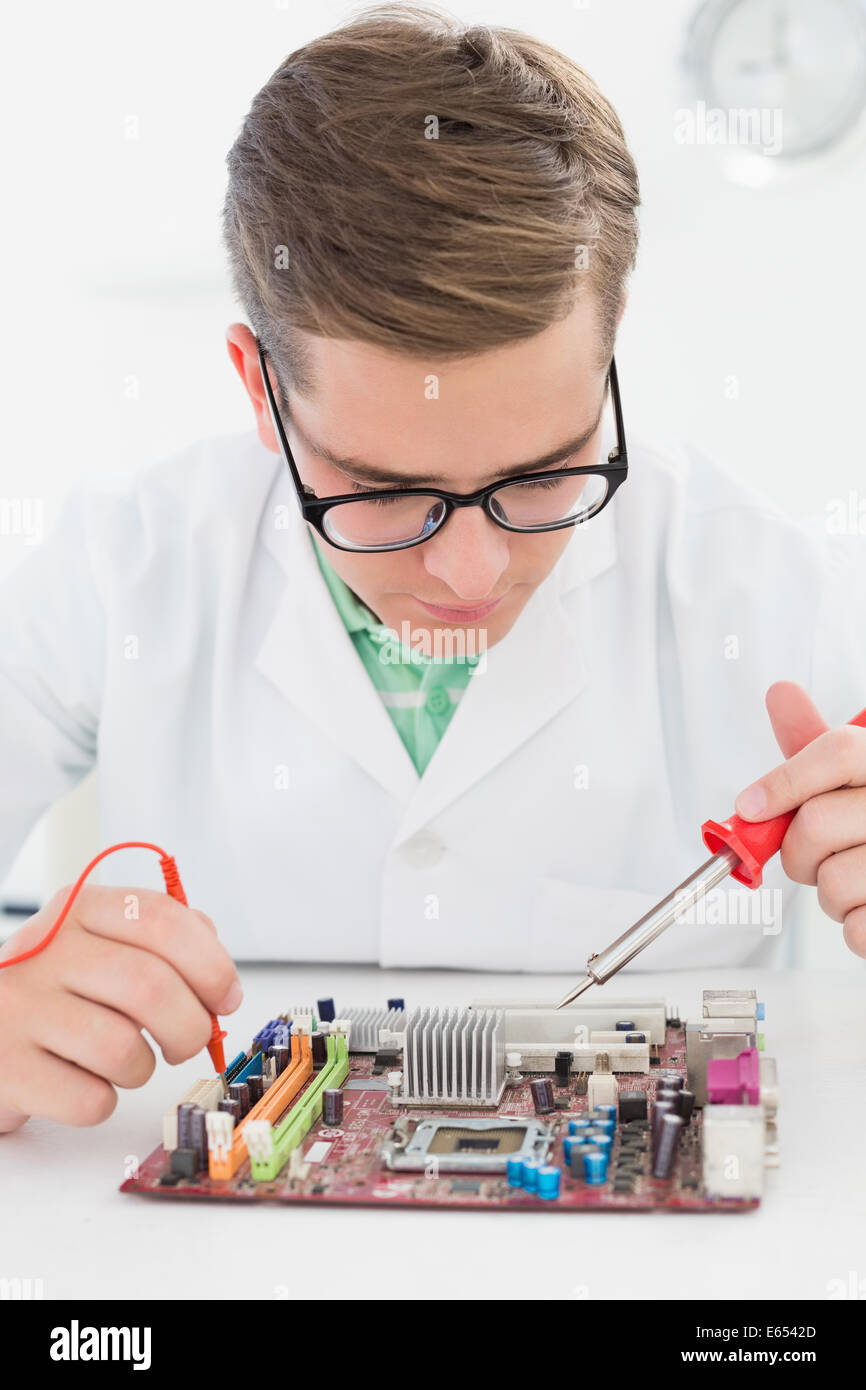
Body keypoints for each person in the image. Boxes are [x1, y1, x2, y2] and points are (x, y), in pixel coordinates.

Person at [1, 5, 864, 1134]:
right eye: (387, 492)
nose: (472, 569)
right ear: (257, 388)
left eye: (545, 473)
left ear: (606, 359)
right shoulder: (120, 570)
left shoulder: (769, 590)